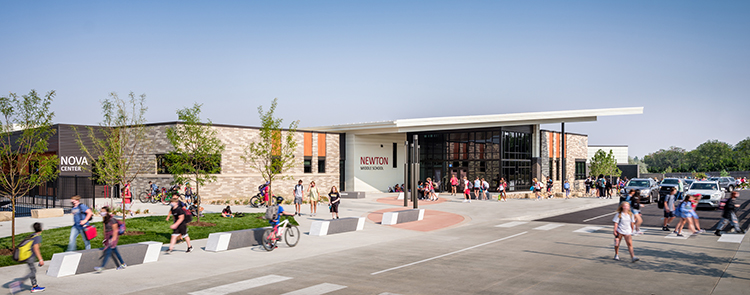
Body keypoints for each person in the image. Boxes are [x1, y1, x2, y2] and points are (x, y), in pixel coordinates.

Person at [10, 222, 45, 294]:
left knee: (32, 270)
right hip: (29, 256)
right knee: (33, 271)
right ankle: (18, 283)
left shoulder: (32, 235)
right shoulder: (37, 237)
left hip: (28, 255)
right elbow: (36, 248)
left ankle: (34, 286)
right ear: (41, 228)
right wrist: (40, 259)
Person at [94, 206, 126, 272]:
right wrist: (105, 238)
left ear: (107, 212)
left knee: (108, 252)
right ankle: (123, 264)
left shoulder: (112, 219)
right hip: (108, 237)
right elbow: (105, 229)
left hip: (113, 236)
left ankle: (102, 267)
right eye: (101, 211)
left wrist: (113, 239)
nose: (101, 213)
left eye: (103, 211)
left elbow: (115, 230)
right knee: (115, 251)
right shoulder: (104, 219)